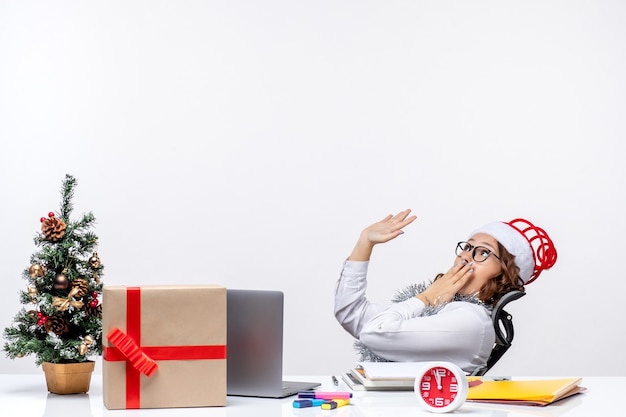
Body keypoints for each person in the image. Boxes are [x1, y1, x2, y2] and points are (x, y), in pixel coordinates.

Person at [334, 209, 557, 373]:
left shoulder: (471, 320)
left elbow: (374, 333)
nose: (466, 256)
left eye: (483, 253)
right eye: (468, 247)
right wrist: (364, 243)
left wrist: (425, 298)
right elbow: (352, 315)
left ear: (502, 276)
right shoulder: (442, 308)